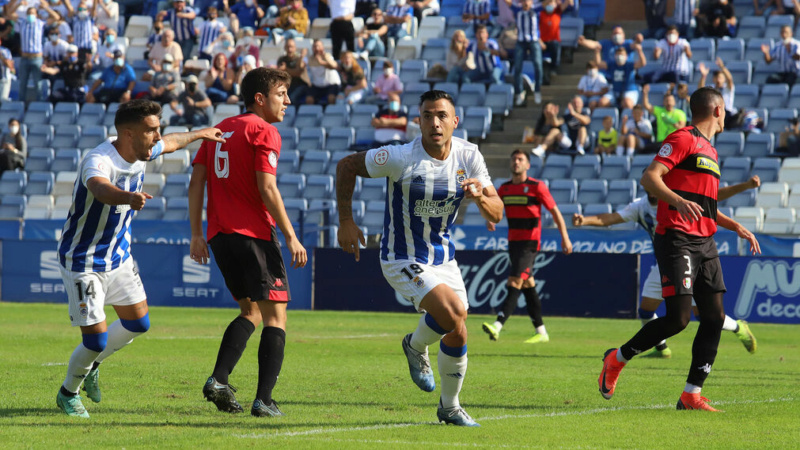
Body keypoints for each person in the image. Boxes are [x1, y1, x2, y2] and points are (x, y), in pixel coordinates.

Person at [336, 89, 503, 426]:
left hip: (442, 256)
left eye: (442, 115)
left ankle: (449, 407)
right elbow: (347, 165)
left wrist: (480, 198)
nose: (435, 122)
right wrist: (346, 221)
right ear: (419, 121)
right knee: (453, 313)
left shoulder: (469, 156)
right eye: (427, 115)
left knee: (459, 330)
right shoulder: (400, 156)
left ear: (455, 122)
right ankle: (414, 346)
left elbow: (497, 212)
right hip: (401, 256)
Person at [55, 99, 225, 418]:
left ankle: (93, 367)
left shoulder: (143, 149)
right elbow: (99, 188)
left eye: (158, 129)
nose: (158, 136)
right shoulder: (99, 160)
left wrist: (202, 133)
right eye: (151, 130)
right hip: (83, 261)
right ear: (129, 134)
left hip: (118, 256)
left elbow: (173, 142)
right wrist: (127, 197)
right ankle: (67, 393)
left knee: (138, 322)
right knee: (94, 340)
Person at [597, 87, 761, 412]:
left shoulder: (711, 152)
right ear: (717, 110)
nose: (726, 115)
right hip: (677, 238)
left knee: (714, 317)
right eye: (725, 110)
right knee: (679, 319)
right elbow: (650, 178)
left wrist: (736, 224)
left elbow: (707, 203)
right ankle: (617, 359)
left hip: (706, 241)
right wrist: (677, 200)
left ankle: (691, 395)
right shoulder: (684, 138)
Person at [189, 68, 307, 417]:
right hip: (254, 233)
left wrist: (197, 232)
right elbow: (267, 187)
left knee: (251, 311)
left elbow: (197, 183)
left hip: (220, 235)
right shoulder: (264, 131)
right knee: (276, 316)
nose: (288, 101)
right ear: (260, 98)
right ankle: (264, 400)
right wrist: (290, 235)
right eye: (282, 94)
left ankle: (220, 380)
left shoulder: (219, 128)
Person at [574, 177, 761, 359]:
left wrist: (745, 186)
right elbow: (610, 218)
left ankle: (738, 328)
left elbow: (714, 197)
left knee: (703, 315)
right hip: (665, 262)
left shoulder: (679, 197)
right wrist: (584, 220)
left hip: (689, 257)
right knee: (646, 310)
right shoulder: (641, 206)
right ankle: (661, 347)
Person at [482, 149, 572, 343]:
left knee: (514, 281)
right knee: (528, 285)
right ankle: (541, 332)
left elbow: (555, 212)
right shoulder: (504, 189)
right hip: (513, 243)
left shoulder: (536, 187)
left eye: (520, 159)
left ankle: (497, 325)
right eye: (514, 159)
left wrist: (564, 237)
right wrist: (490, 219)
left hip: (530, 243)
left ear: (528, 165)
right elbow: (492, 207)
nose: (516, 162)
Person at [504, 0, 542, 105]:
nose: (526, 2)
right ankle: (519, 92)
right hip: (521, 41)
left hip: (533, 41)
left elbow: (547, 3)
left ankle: (537, 90)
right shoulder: (517, 9)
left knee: (538, 65)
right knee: (517, 67)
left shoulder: (535, 8)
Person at [597, 44, 646, 110]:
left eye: (622, 54)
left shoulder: (629, 64)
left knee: (627, 104)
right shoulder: (612, 64)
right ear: (615, 56)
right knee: (602, 103)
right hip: (615, 91)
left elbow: (642, 63)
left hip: (629, 91)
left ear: (626, 56)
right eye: (618, 54)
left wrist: (639, 51)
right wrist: (597, 52)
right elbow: (599, 64)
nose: (620, 56)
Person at [698, 58, 740, 130]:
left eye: (720, 77)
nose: (718, 80)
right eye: (716, 77)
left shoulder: (727, 88)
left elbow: (730, 79)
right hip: (714, 113)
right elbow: (700, 90)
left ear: (724, 79)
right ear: (713, 79)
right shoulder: (712, 88)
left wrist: (722, 67)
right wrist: (703, 76)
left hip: (726, 113)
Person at [18, 6, 46, 102]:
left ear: (36, 14)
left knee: (38, 83)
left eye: (33, 13)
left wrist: (46, 7)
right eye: (29, 13)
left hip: (36, 58)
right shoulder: (22, 22)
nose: (30, 15)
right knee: (22, 83)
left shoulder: (40, 23)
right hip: (25, 57)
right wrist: (18, 4)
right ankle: (21, 103)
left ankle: (40, 103)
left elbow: (56, 17)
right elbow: (8, 14)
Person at [578, 26, 644, 67]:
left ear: (623, 35)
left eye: (619, 33)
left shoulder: (628, 43)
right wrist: (583, 41)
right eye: (615, 33)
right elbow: (595, 44)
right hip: (607, 71)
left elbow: (635, 44)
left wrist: (638, 39)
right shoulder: (606, 43)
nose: (617, 35)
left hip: (625, 71)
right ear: (611, 35)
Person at [276, 37, 309, 106]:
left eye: (291, 47)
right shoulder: (282, 59)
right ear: (285, 48)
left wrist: (285, 69)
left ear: (295, 48)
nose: (289, 49)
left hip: (301, 85)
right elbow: (278, 73)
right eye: (288, 47)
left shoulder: (299, 59)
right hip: (289, 86)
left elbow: (298, 73)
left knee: (291, 98)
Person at [305, 39, 340, 105]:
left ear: (322, 47)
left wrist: (323, 62)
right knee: (309, 99)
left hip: (330, 84)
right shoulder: (310, 59)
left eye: (319, 46)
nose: (317, 48)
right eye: (315, 46)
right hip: (317, 85)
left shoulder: (327, 56)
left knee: (331, 98)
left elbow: (335, 65)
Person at [0, 37, 13, 101]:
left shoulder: (5, 51)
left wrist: (1, 57)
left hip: (4, 80)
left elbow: (11, 68)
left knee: (3, 101)